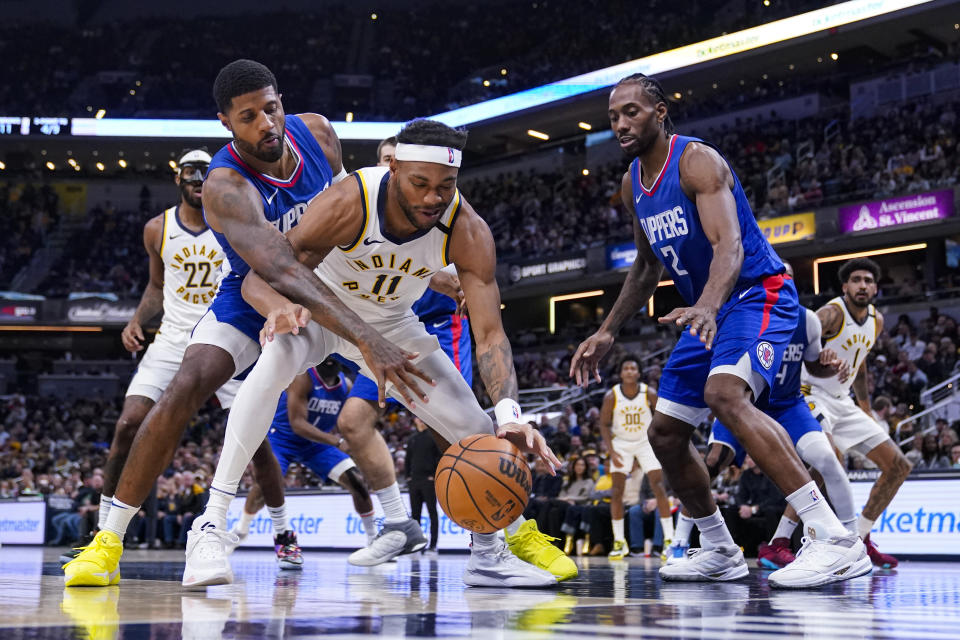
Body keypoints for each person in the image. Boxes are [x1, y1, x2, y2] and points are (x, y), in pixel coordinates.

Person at [64, 59, 429, 588]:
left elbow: (357, 210)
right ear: (227, 124)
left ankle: (494, 533)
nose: (266, 123)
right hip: (251, 289)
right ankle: (108, 541)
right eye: (249, 116)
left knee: (419, 377)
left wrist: (430, 268)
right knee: (187, 383)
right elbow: (274, 268)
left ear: (282, 101)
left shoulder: (319, 133)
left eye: (271, 108)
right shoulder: (224, 185)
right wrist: (323, 324)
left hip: (330, 281)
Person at [185, 117, 573, 588]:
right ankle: (211, 521)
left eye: (445, 186)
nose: (433, 197)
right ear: (394, 172)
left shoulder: (467, 229)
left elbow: (490, 333)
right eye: (420, 183)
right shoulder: (352, 199)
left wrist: (511, 414)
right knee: (269, 369)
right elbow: (256, 277)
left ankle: (488, 555)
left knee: (476, 426)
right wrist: (279, 310)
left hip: (392, 323)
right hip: (322, 311)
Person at [570, 73, 868, 588]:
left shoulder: (696, 161)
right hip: (708, 309)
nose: (620, 124)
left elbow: (728, 244)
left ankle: (835, 538)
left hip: (757, 292)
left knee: (725, 394)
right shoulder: (630, 185)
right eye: (614, 116)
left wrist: (706, 304)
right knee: (664, 433)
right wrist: (606, 331)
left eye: (632, 112)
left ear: (660, 112)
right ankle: (719, 547)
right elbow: (645, 268)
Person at [60, 149, 242, 565]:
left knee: (258, 444)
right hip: (172, 340)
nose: (198, 180)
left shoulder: (232, 221)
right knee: (127, 425)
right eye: (191, 173)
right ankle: (102, 533)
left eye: (205, 173)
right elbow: (156, 286)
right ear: (178, 178)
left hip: (221, 336)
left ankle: (280, 532)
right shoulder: (156, 228)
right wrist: (135, 320)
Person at [802, 258, 913, 568]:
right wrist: (817, 351)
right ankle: (787, 540)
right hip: (810, 392)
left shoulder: (876, 321)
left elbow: (859, 362)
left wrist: (866, 408)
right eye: (856, 280)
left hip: (842, 399)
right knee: (829, 461)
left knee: (899, 466)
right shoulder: (832, 313)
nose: (862, 285)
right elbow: (798, 339)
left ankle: (860, 538)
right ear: (845, 287)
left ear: (875, 288)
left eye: (868, 280)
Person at [227, 357, 377, 567]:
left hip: (316, 444)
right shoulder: (302, 378)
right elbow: (297, 424)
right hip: (283, 438)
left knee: (356, 481)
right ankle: (241, 530)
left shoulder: (346, 386)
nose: (331, 362)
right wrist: (336, 441)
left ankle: (373, 539)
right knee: (265, 485)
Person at [598, 355, 673, 560]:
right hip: (621, 444)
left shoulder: (648, 393)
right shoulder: (611, 396)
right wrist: (612, 451)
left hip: (645, 442)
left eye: (633, 368)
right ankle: (619, 541)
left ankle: (670, 540)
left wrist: (657, 442)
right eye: (626, 368)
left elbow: (661, 418)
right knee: (616, 492)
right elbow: (604, 425)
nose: (630, 371)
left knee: (659, 487)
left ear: (639, 373)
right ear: (621, 373)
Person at [405, 416, 442, 554]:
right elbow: (408, 460)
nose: (420, 420)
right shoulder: (412, 439)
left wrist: (433, 475)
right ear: (414, 420)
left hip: (428, 480)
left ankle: (433, 545)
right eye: (418, 418)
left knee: (432, 513)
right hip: (414, 481)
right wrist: (408, 477)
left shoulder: (433, 437)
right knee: (415, 516)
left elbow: (439, 457)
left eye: (422, 418)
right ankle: (417, 546)